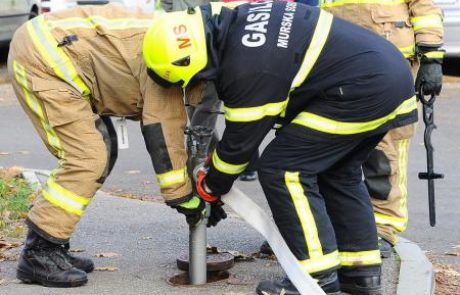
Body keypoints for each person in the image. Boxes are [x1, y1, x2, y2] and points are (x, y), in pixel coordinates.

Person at [143, 1, 418, 294]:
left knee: (283, 169)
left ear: (190, 60)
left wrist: (210, 185)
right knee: (339, 173)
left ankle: (313, 277)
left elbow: (239, 148)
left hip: (360, 89)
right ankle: (361, 276)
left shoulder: (244, 66)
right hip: (387, 78)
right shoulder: (239, 23)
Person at [7, 3, 225, 288]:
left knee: (101, 150)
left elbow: (190, 130)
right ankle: (39, 253)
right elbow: (163, 129)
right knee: (87, 158)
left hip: (56, 49)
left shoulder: (182, 43)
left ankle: (54, 244)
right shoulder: (170, 56)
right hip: (44, 59)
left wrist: (209, 186)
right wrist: (182, 196)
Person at [317, 0, 444, 257]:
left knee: (385, 151)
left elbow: (425, 6)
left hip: (391, 64)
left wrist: (431, 56)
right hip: (337, 62)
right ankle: (333, 223)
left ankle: (384, 227)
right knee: (331, 149)